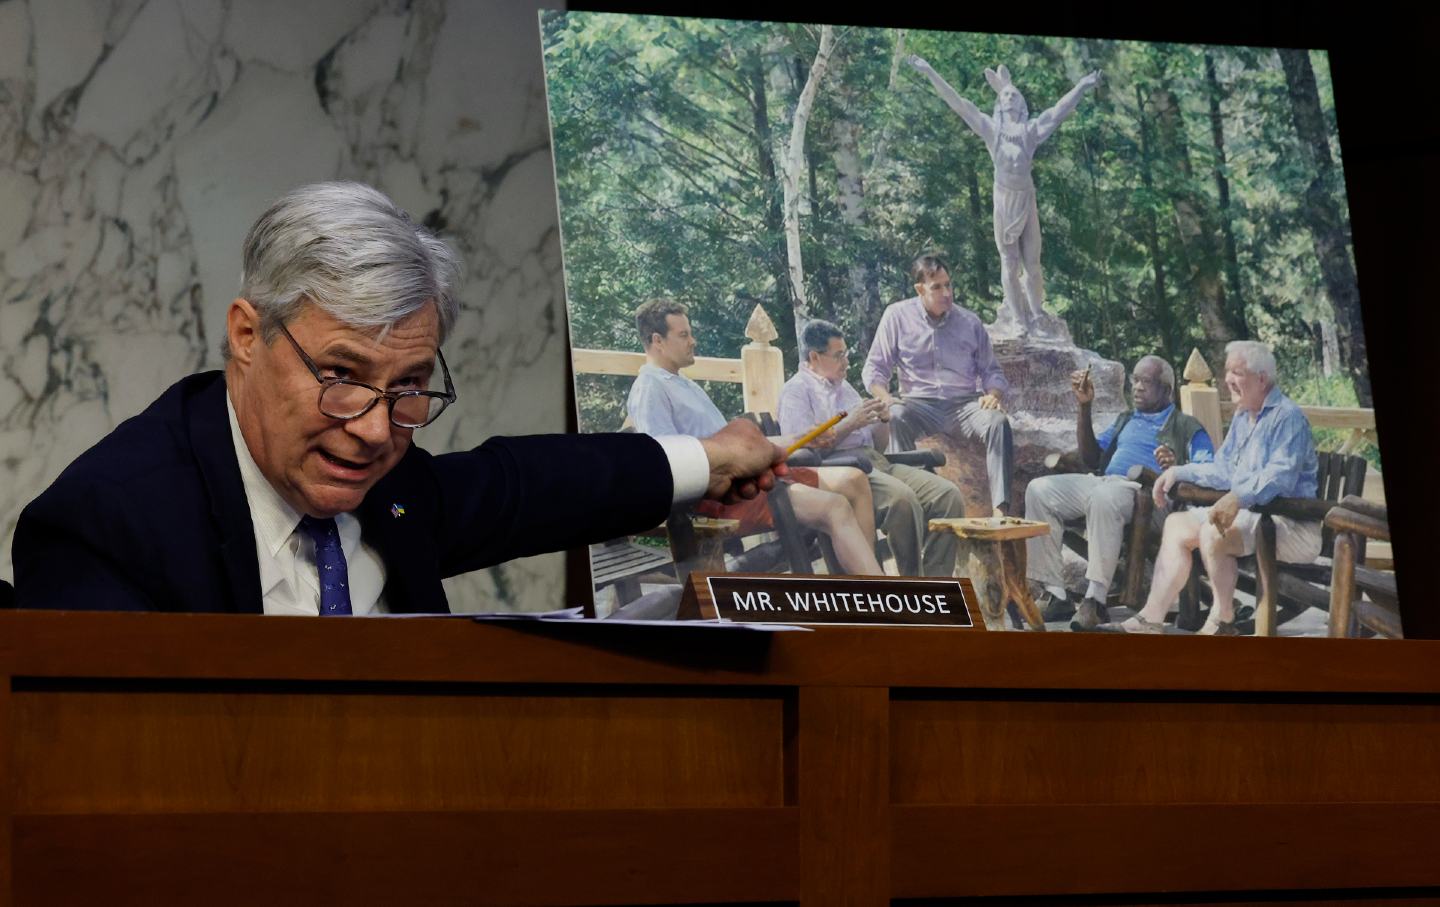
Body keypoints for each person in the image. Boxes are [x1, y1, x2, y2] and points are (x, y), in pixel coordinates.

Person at [12, 182, 785, 614]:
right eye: (342, 377)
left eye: (410, 387)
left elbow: (529, 486)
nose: (377, 431)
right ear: (248, 335)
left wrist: (711, 460)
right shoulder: (108, 524)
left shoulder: (393, 487)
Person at [628, 300, 884, 576]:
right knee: (834, 506)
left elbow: (738, 449)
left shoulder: (684, 384)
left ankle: (863, 582)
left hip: (748, 478)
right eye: (683, 335)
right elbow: (669, 463)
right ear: (657, 341)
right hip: (720, 498)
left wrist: (805, 437)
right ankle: (873, 593)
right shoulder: (650, 387)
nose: (693, 341)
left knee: (853, 480)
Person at [1118, 341, 1320, 635]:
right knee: (1176, 524)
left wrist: (1237, 498)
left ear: (1261, 378)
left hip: (1291, 525)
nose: (1227, 380)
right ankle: (1151, 618)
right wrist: (1178, 471)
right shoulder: (1243, 416)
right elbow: (1223, 469)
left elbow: (1280, 477)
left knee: (1214, 531)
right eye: (1227, 372)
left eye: (1236, 372)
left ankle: (1222, 621)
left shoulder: (1287, 417)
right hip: (1254, 517)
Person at [906, 56, 1099, 338]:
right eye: (1004, 93)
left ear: (1020, 103)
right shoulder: (991, 130)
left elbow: (1058, 111)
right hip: (1004, 199)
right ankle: (1018, 319)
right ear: (1000, 101)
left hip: (1026, 198)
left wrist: (1082, 86)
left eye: (1013, 94)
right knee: (1008, 261)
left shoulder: (1030, 131)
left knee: (1033, 263)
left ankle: (1036, 313)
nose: (1008, 96)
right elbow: (958, 103)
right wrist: (929, 71)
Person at [1024, 356, 1214, 630]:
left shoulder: (1186, 426)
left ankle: (1095, 600)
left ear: (1166, 390)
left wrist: (1178, 468)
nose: (1136, 387)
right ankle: (1056, 594)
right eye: (1134, 380)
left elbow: (1208, 468)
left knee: (1105, 497)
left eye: (1145, 382)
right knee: (1039, 490)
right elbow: (1091, 457)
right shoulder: (1125, 420)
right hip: (1105, 482)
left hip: (1147, 495)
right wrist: (1084, 407)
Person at [778, 319, 964, 577]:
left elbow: (877, 445)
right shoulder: (797, 391)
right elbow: (802, 453)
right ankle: (913, 585)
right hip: (844, 470)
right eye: (839, 355)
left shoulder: (844, 388)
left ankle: (936, 582)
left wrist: (882, 420)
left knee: (948, 495)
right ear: (814, 357)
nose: (846, 362)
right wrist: (849, 424)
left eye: (846, 354)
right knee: (902, 500)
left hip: (876, 461)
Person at [861, 253, 1015, 514]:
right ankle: (913, 505)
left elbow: (992, 372)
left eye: (948, 284)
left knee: (998, 422)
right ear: (920, 289)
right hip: (918, 404)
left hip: (964, 405)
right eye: (937, 287)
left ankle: (1001, 509)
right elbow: (875, 368)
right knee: (895, 416)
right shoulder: (897, 316)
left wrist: (993, 394)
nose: (946, 292)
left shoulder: (970, 322)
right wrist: (885, 397)